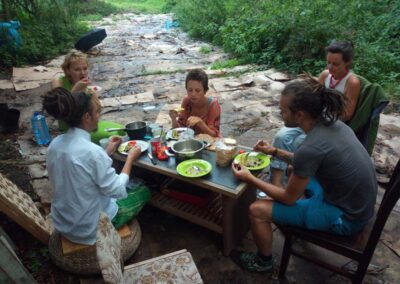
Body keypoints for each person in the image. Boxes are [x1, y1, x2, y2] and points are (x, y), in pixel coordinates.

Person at [231, 77, 377, 272]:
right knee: (293, 171)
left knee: (256, 210)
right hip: (356, 202)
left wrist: (251, 178)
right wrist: (275, 152)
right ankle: (298, 216)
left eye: (283, 111)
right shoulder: (333, 124)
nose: (280, 114)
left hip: (346, 217)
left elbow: (289, 198)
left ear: (299, 115)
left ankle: (263, 262)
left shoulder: (311, 147)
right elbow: (306, 161)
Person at [43, 87, 149, 245]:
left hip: (64, 224)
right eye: (97, 112)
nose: (99, 117)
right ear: (87, 117)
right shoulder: (92, 152)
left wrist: (107, 151)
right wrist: (130, 159)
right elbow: (118, 190)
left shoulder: (55, 144)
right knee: (144, 191)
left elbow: (82, 169)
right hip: (92, 228)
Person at [269, 40, 361, 187]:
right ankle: (276, 182)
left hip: (326, 126)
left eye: (335, 64)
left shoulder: (352, 82)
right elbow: (312, 97)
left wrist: (323, 114)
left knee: (300, 143)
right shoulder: (325, 75)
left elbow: (348, 114)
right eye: (328, 62)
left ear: (347, 62)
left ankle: (298, 179)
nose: (330, 67)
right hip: (310, 118)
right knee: (281, 136)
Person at [169, 69, 221, 137]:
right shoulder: (186, 102)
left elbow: (214, 135)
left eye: (198, 90)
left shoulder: (213, 105)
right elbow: (180, 130)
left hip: (209, 144)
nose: (193, 94)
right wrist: (173, 119)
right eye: (190, 90)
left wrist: (200, 123)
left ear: (205, 91)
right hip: (192, 142)